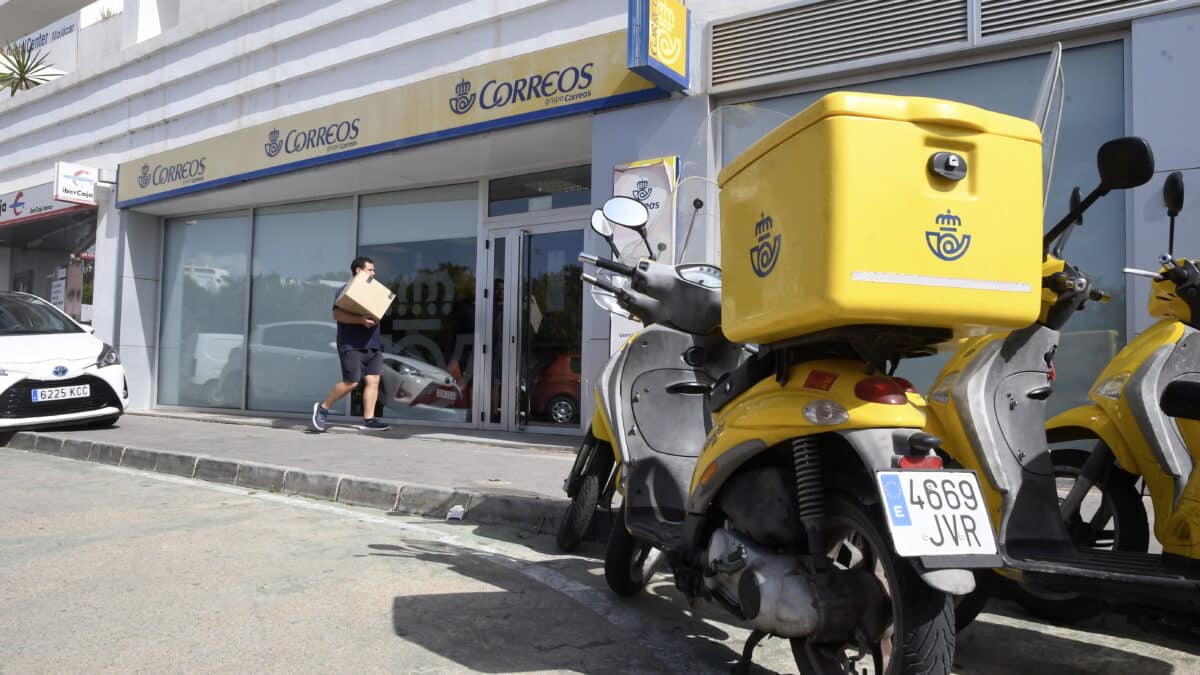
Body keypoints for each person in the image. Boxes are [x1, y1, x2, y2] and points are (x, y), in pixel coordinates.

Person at [311, 257, 391, 432]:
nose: (374, 273)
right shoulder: (344, 291)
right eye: (370, 269)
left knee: (373, 380)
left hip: (372, 344)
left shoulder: (374, 292)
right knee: (352, 383)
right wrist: (360, 320)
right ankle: (322, 409)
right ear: (358, 271)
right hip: (351, 345)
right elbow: (337, 315)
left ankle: (368, 420)